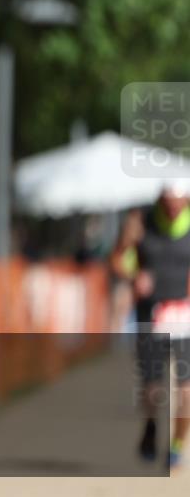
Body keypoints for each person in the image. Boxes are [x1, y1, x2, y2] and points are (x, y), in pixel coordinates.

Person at [116, 182, 190, 470]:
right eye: (168, 202)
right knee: (152, 390)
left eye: (178, 202)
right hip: (150, 315)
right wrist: (134, 276)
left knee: (186, 391)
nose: (173, 208)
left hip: (185, 317)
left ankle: (176, 446)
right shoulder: (140, 221)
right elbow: (116, 259)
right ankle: (150, 427)